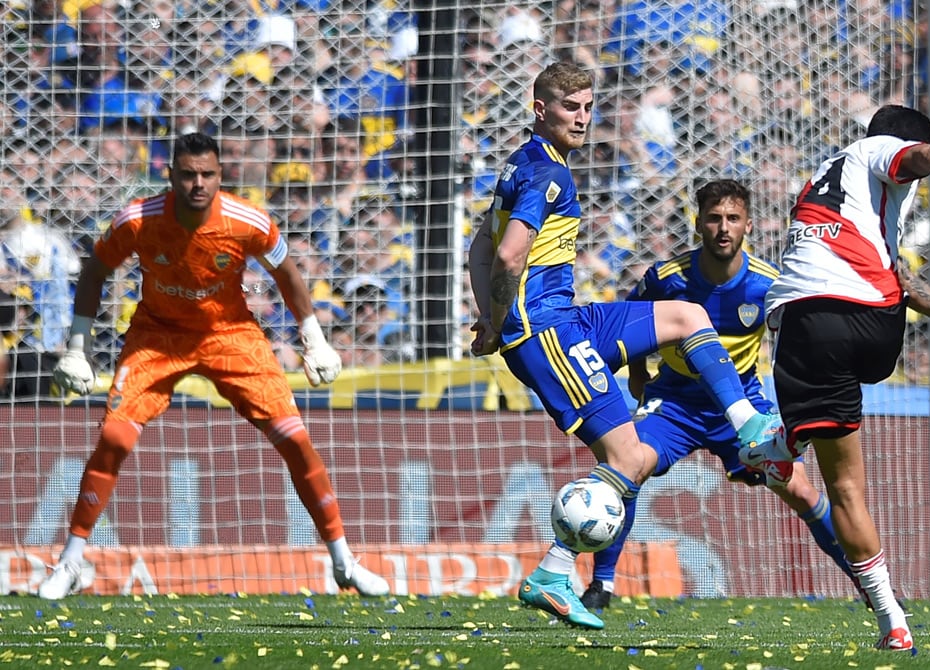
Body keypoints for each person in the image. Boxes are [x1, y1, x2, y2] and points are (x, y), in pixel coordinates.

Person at [467, 62, 775, 630]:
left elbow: (480, 248)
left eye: (588, 106)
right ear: (541, 109)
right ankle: (555, 572)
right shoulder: (546, 176)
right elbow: (508, 254)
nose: (582, 118)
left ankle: (746, 421)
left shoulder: (529, 163)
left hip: (569, 318)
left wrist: (488, 317)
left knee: (686, 315)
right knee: (629, 458)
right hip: (546, 330)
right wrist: (509, 319)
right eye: (570, 107)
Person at [38, 132, 388, 600]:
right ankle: (71, 563)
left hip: (231, 335)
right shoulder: (137, 220)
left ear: (220, 176)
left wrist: (314, 340)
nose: (197, 184)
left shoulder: (248, 221)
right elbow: (96, 270)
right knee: (114, 438)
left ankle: (344, 561)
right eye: (187, 175)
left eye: (207, 174)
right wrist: (77, 347)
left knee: (296, 439)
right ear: (171, 176)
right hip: (157, 336)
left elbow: (286, 273)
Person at [742, 105, 930, 651]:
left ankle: (891, 620)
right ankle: (784, 442)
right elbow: (924, 159)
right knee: (845, 462)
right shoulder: (875, 151)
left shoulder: (826, 188)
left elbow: (899, 276)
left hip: (808, 328)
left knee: (846, 490)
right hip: (872, 327)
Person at [579, 179, 867, 610]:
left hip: (741, 407)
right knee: (627, 464)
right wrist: (637, 373)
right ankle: (601, 586)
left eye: (733, 218)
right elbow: (628, 320)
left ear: (749, 225)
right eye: (714, 218)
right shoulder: (666, 278)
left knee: (803, 490)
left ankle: (867, 584)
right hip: (675, 403)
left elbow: (797, 343)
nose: (723, 228)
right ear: (698, 224)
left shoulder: (767, 285)